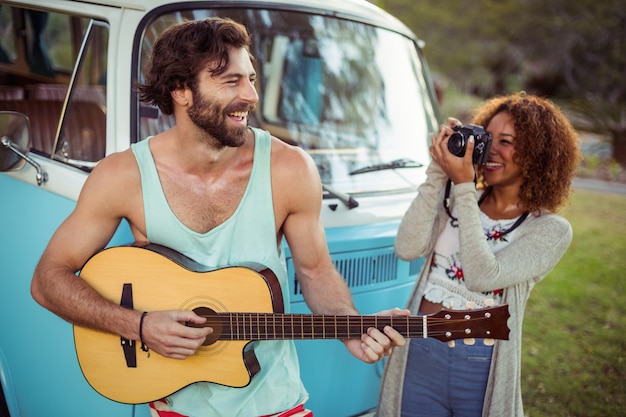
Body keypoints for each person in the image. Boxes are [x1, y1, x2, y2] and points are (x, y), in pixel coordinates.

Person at [30, 17, 408, 417]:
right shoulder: (123, 176)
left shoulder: (290, 169)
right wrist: (137, 326)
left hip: (275, 402)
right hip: (173, 403)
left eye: (252, 79)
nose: (250, 95)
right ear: (180, 90)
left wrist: (349, 325)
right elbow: (47, 279)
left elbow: (316, 273)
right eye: (231, 81)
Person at [375, 92, 581, 417]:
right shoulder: (459, 196)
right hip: (421, 350)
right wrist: (438, 172)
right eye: (488, 138)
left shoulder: (549, 229)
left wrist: (464, 186)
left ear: (537, 153)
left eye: (507, 141)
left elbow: (483, 276)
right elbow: (407, 247)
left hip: (481, 367)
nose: (493, 150)